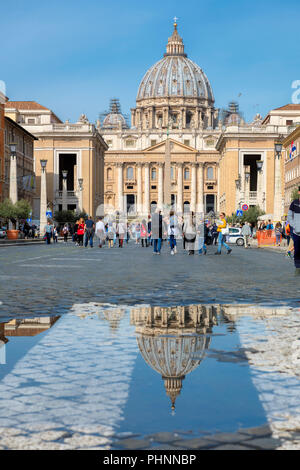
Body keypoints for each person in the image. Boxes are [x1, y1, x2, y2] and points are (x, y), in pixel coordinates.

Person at [287, 186, 300, 274]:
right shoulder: (294, 203)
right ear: (299, 192)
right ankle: (298, 267)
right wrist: (294, 225)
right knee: (298, 250)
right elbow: (289, 216)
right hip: (297, 232)